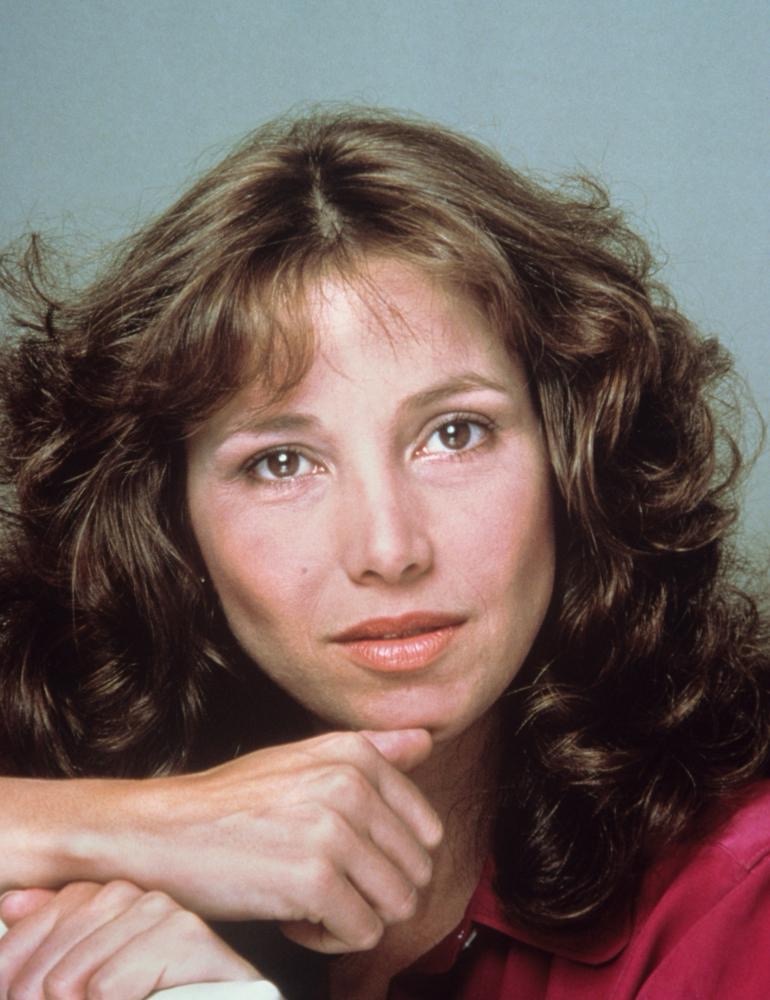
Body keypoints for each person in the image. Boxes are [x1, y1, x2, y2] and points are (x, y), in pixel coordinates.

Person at [0, 107, 768, 1000]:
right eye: (281, 462)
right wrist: (125, 828)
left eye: (455, 433)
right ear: (167, 518)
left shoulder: (738, 891)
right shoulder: (63, 777)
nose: (389, 549)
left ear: (576, 459)